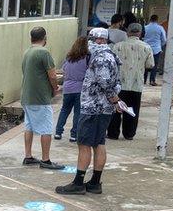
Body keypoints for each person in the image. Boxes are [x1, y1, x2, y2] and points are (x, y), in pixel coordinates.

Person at [57, 28, 120, 196]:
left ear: (97, 40)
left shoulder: (99, 57)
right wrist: (114, 98)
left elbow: (104, 82)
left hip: (93, 108)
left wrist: (114, 98)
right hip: (103, 108)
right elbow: (116, 81)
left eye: (90, 40)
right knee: (99, 143)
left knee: (84, 144)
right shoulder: (110, 56)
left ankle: (78, 182)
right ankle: (94, 182)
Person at [20, 27, 64, 170]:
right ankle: (46, 160)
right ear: (45, 38)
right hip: (40, 98)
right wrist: (56, 88)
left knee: (29, 126)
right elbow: (52, 75)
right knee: (46, 128)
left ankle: (28, 156)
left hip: (27, 96)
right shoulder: (44, 53)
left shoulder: (27, 52)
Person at [109, 23, 153, 141]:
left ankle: (113, 133)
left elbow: (111, 63)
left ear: (127, 32)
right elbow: (150, 65)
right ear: (140, 33)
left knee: (116, 109)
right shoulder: (146, 47)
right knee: (132, 109)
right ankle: (129, 133)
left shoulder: (117, 46)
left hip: (119, 84)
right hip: (136, 84)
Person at [55, 36, 90, 143]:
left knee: (64, 110)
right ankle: (74, 135)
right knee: (78, 112)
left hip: (67, 88)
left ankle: (58, 132)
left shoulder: (69, 57)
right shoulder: (87, 57)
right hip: (80, 88)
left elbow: (64, 69)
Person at [143, 15, 167, 86]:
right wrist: (160, 46)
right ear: (157, 20)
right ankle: (152, 81)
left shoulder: (145, 27)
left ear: (150, 19)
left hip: (146, 48)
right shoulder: (160, 28)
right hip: (156, 49)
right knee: (154, 65)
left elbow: (142, 37)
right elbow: (164, 40)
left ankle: (144, 80)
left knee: (145, 65)